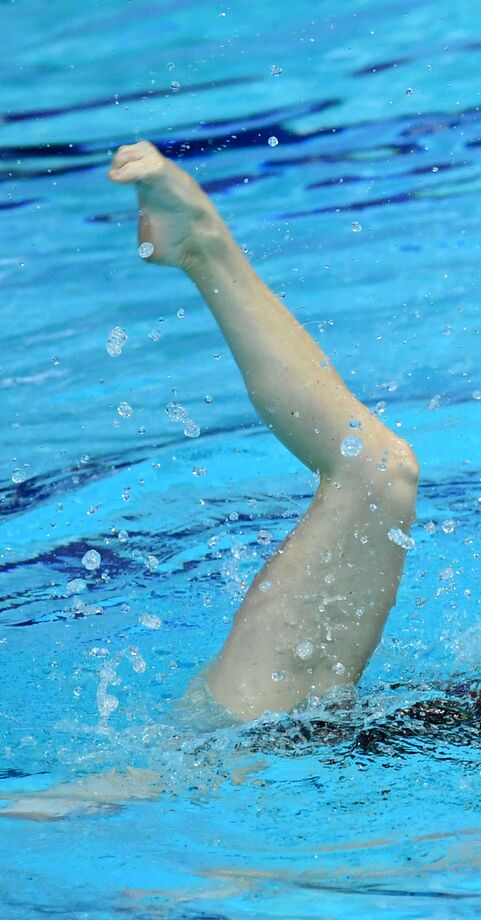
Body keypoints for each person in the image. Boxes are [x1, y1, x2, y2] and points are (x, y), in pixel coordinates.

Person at [108, 141, 421, 722]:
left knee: (374, 472)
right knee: (376, 473)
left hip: (239, 758)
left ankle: (206, 251)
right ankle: (204, 250)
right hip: (275, 750)